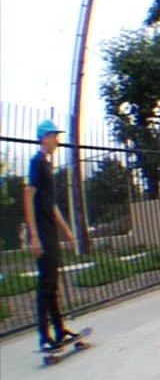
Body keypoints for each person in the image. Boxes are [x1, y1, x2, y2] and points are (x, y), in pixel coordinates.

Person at [23, 120, 81, 351]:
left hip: (50, 232)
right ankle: (44, 335)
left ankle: (59, 329)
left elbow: (50, 203)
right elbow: (28, 196)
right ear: (45, 137)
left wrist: (66, 230)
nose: (57, 140)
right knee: (45, 285)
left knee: (52, 284)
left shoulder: (46, 165)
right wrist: (33, 236)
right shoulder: (36, 163)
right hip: (42, 233)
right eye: (54, 136)